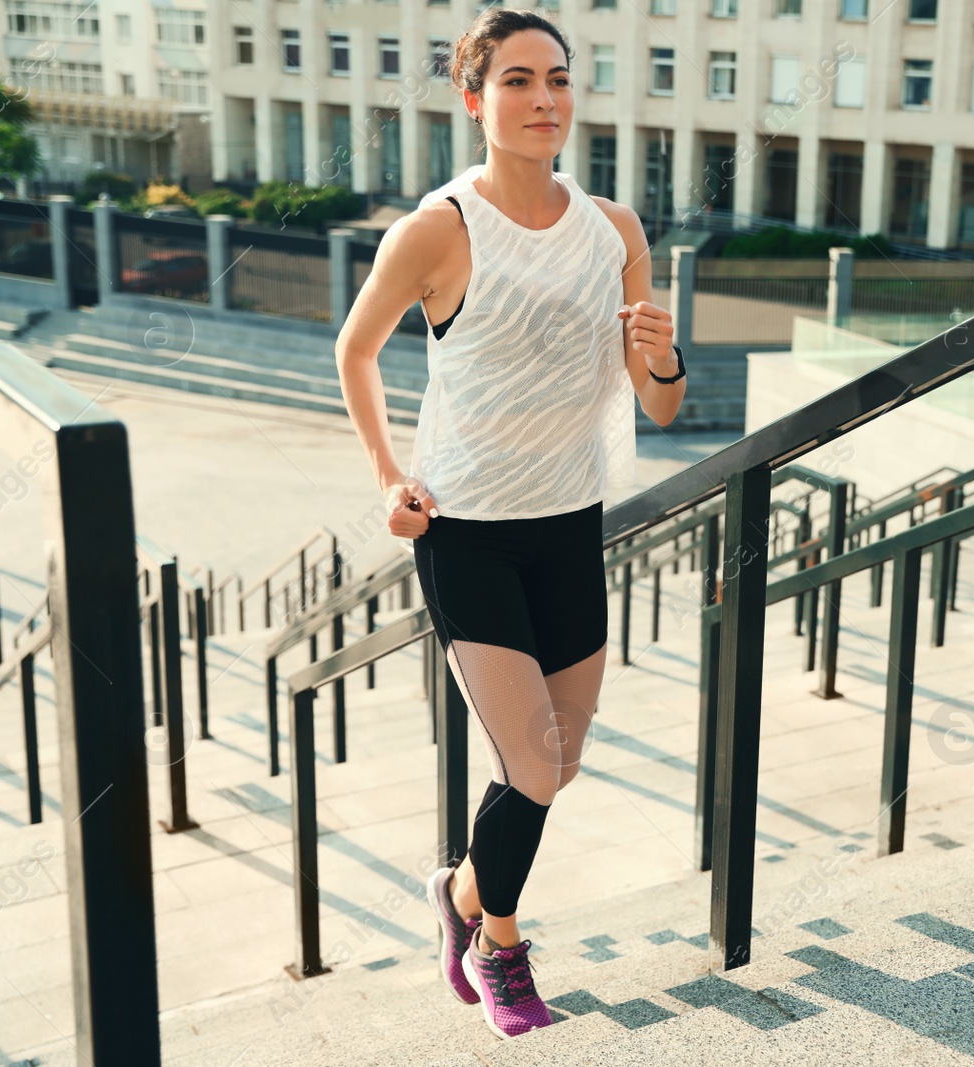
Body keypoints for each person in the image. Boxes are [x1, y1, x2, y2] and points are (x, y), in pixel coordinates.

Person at [334, 6, 687, 1040]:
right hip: (469, 528)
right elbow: (356, 350)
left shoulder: (615, 230)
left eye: (559, 80)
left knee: (558, 762)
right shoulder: (438, 228)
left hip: (571, 519)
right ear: (475, 96)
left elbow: (658, 404)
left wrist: (660, 352)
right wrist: (390, 479)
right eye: (520, 81)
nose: (544, 100)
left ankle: (454, 892)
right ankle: (500, 943)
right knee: (532, 765)